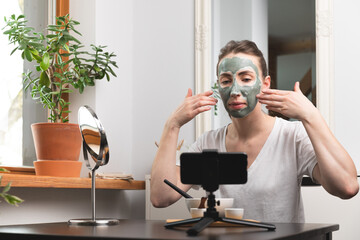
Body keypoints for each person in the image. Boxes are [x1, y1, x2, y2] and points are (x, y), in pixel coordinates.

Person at [150, 40, 359, 222]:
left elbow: (347, 187)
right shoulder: (208, 143)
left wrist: (311, 116)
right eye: (225, 80)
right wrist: (172, 125)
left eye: (246, 79)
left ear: (265, 84)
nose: (234, 91)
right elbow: (161, 197)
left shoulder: (292, 136)